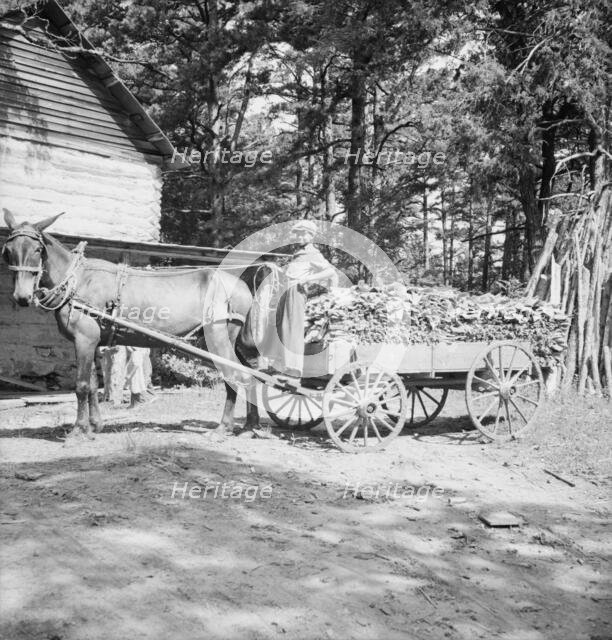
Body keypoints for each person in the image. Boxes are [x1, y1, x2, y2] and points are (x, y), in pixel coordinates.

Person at [272, 219, 338, 379]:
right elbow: (292, 273)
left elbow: (330, 272)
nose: (300, 237)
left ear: (311, 236)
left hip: (297, 291)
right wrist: (276, 268)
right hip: (287, 290)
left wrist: (309, 279)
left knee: (293, 328)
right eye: (298, 234)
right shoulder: (299, 253)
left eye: (303, 234)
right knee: (282, 326)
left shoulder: (313, 253)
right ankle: (283, 364)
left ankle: (294, 368)